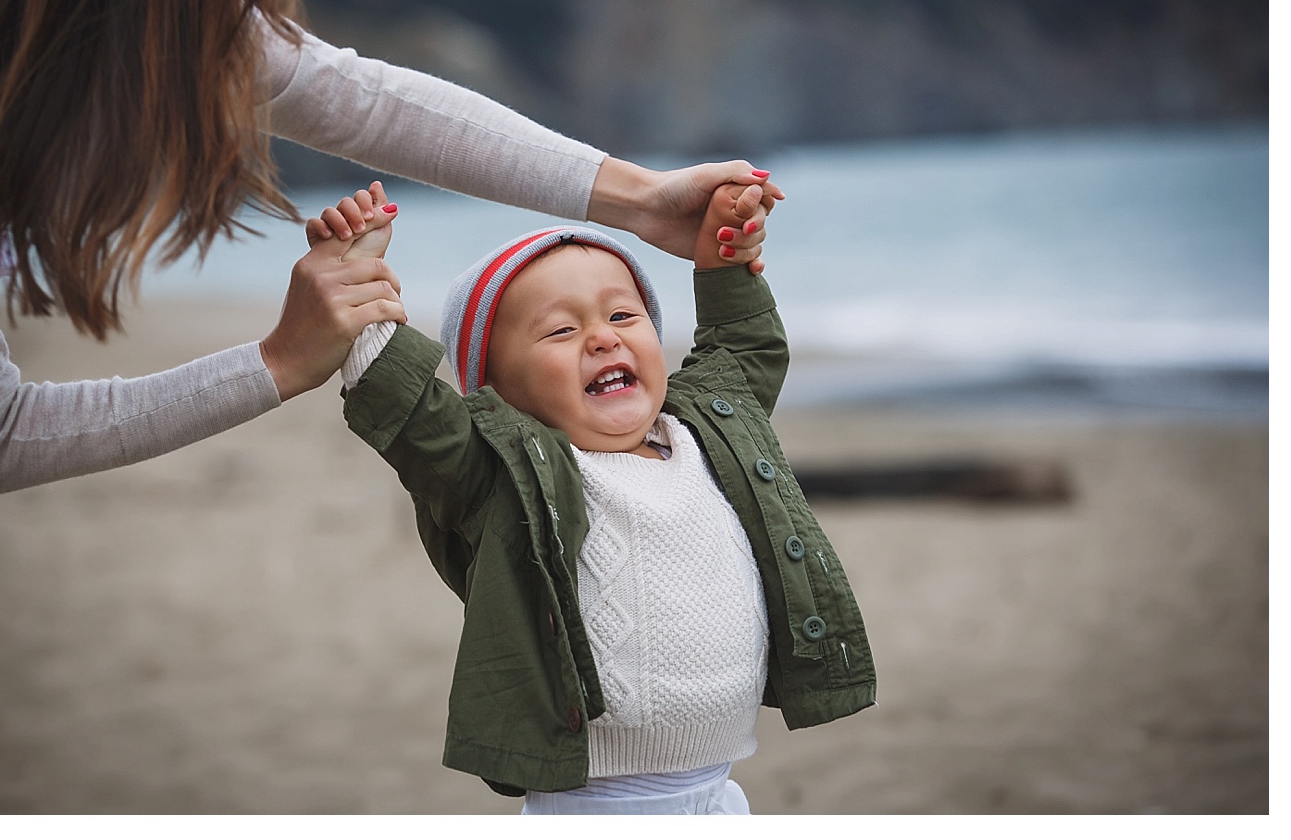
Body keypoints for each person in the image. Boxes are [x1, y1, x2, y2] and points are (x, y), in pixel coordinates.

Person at [0, 0, 782, 497]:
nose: (240, 40)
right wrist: (279, 360)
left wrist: (639, 200)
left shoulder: (163, 14)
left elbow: (361, 100)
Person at [320, 183, 875, 813]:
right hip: (597, 806)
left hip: (719, 792)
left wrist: (722, 258)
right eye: (559, 330)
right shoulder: (501, 475)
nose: (603, 338)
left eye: (622, 316)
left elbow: (745, 347)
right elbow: (418, 418)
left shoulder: (708, 430)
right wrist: (355, 282)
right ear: (494, 393)